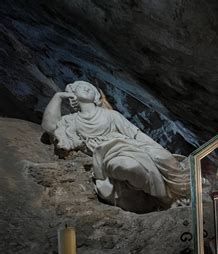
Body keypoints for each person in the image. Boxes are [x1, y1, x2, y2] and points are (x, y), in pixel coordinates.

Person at [42, 80, 190, 212]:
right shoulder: (72, 121)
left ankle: (175, 195)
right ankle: (165, 199)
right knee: (127, 166)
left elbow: (136, 134)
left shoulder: (111, 115)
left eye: (89, 87)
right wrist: (58, 96)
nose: (86, 88)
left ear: (96, 95)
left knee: (161, 155)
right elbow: (50, 126)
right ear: (72, 95)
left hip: (131, 145)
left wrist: (157, 149)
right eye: (80, 87)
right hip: (105, 156)